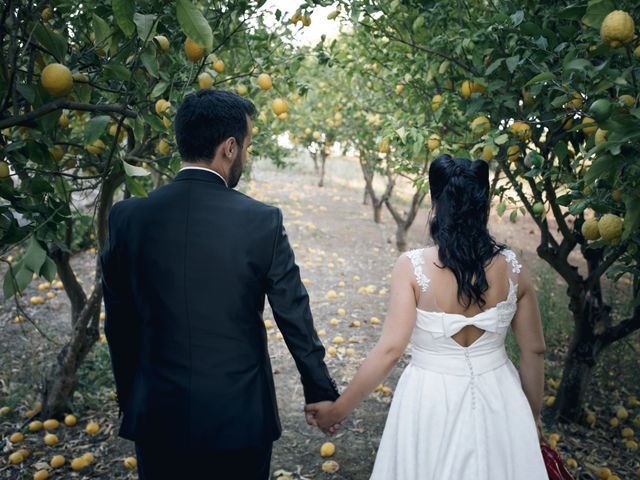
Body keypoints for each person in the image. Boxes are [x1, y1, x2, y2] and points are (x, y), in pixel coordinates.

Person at [101, 89, 339, 480]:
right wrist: (320, 390)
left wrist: (131, 397)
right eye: (246, 145)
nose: (245, 154)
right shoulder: (262, 220)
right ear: (229, 148)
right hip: (240, 416)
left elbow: (119, 322)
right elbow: (293, 313)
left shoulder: (128, 218)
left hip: (157, 414)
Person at [306, 154, 549, 479]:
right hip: (501, 396)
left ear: (436, 203)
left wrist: (338, 409)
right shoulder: (513, 266)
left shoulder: (412, 266)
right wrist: (530, 416)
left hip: (430, 397)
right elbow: (534, 350)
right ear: (484, 203)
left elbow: (391, 349)